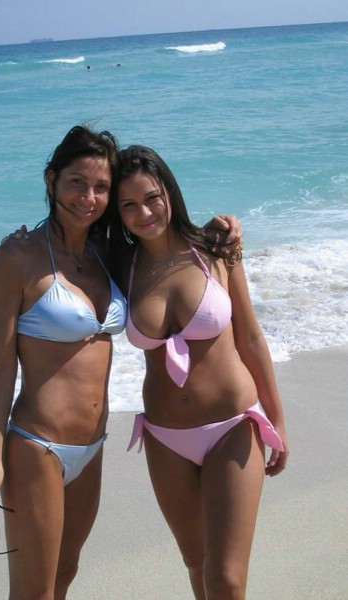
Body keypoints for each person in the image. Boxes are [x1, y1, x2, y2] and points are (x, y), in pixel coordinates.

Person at [0, 125, 242, 600]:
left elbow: (166, 250)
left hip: (91, 447)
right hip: (37, 445)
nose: (88, 197)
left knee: (65, 573)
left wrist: (218, 230)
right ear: (52, 179)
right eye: (77, 182)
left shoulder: (108, 254)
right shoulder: (18, 256)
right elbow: (0, 360)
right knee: (34, 592)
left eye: (100, 187)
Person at [108, 145, 289, 600]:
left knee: (225, 579)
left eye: (152, 197)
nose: (144, 212)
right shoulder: (119, 267)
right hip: (165, 437)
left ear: (169, 192)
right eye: (129, 205)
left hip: (233, 425)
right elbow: (64, 247)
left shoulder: (216, 248)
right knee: (196, 565)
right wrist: (26, 243)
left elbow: (251, 338)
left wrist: (277, 420)